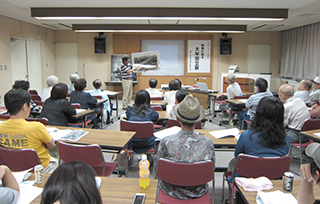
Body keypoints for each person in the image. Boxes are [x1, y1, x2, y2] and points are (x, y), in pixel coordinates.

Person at [156, 95, 215, 200]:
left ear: (177, 119)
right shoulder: (208, 142)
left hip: (170, 190)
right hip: (198, 190)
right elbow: (211, 168)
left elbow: (157, 170)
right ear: (198, 121)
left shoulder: (166, 142)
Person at [0, 89, 57, 173]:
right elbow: (52, 145)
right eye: (30, 104)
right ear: (24, 107)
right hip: (40, 169)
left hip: (12, 168)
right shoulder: (36, 127)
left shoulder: (1, 126)